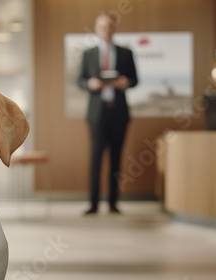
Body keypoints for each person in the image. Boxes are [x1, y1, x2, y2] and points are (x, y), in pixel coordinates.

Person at [77, 12, 138, 215]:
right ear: (96, 28)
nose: (105, 29)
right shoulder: (89, 54)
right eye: (101, 26)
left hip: (119, 112)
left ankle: (113, 203)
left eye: (109, 26)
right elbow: (80, 80)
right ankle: (93, 203)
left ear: (114, 28)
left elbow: (135, 79)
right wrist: (90, 84)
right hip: (97, 113)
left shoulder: (125, 53)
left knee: (116, 157)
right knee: (95, 157)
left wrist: (125, 82)